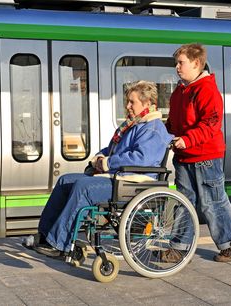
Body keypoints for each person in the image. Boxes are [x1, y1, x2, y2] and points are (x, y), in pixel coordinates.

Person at [23, 80, 174, 257]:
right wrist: (98, 158)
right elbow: (112, 150)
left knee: (83, 188)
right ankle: (45, 235)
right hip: (119, 178)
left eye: (132, 102)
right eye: (128, 101)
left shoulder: (153, 128)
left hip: (133, 183)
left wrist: (108, 163)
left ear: (148, 104)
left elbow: (141, 159)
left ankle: (59, 243)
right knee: (65, 180)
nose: (127, 106)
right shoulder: (133, 125)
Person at [165, 43, 231, 263]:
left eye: (181, 63)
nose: (177, 67)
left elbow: (211, 123)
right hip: (184, 156)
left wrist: (188, 139)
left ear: (196, 63)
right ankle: (180, 248)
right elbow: (173, 122)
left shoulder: (206, 89)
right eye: (177, 63)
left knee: (213, 203)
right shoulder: (180, 91)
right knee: (184, 203)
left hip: (206, 157)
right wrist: (165, 132)